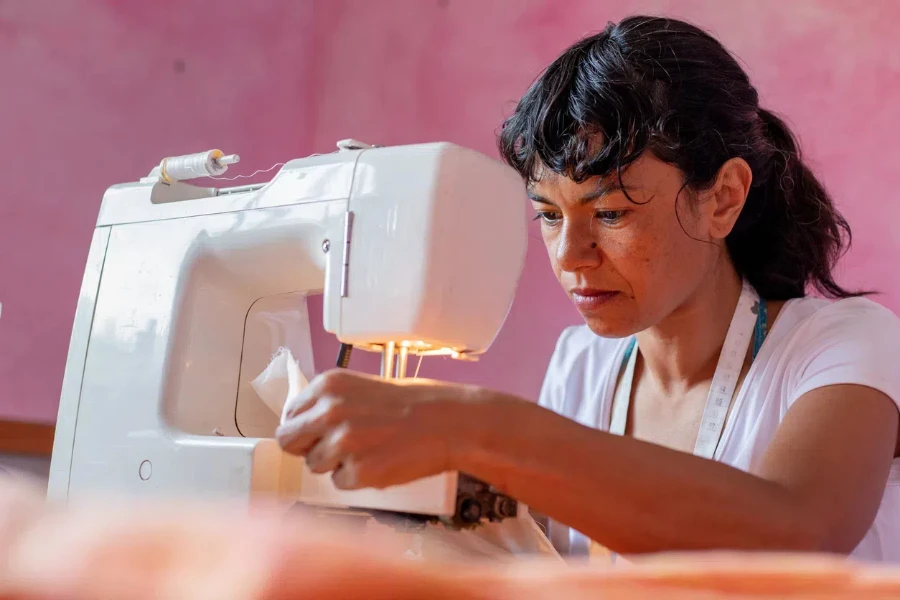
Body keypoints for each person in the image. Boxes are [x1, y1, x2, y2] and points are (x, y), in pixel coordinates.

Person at [275, 15, 900, 562]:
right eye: (549, 215)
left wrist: (477, 427)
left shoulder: (842, 347)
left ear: (723, 199)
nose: (570, 257)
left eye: (611, 214)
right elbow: (535, 562)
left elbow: (798, 532)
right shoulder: (584, 365)